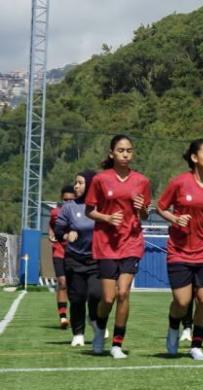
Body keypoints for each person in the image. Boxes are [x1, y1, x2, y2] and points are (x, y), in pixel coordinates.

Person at [157, 139, 203, 361]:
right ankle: (172, 327)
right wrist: (175, 219)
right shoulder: (179, 183)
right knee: (182, 302)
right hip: (179, 250)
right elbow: (160, 207)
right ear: (195, 158)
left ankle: (196, 345)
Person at [85, 135, 151, 359]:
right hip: (105, 244)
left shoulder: (142, 181)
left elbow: (145, 214)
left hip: (131, 242)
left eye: (129, 150)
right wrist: (106, 217)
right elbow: (89, 211)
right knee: (108, 298)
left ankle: (116, 344)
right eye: (121, 150)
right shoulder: (100, 179)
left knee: (123, 293)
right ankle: (100, 329)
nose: (125, 154)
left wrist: (142, 209)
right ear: (111, 153)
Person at [55, 171, 100, 348]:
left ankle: (94, 318)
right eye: (75, 183)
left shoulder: (101, 205)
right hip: (74, 259)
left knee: (96, 294)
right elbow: (58, 231)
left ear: (90, 185)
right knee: (77, 298)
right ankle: (78, 333)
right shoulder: (69, 207)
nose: (76, 186)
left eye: (80, 183)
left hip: (96, 259)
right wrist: (67, 234)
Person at [49, 185, 76, 329]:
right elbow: (52, 225)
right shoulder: (55, 212)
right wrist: (51, 235)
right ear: (61, 199)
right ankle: (63, 317)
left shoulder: (81, 213)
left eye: (71, 200)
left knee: (75, 288)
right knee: (62, 282)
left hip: (76, 253)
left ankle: (76, 316)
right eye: (65, 200)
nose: (67, 203)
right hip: (59, 251)